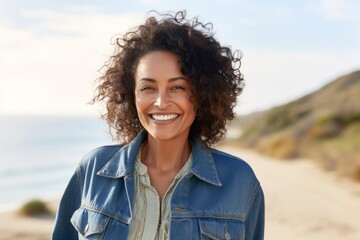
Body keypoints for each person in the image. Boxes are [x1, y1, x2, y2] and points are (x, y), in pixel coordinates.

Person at [52, 10, 264, 240]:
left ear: (202, 94)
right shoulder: (92, 170)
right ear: (131, 94)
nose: (161, 103)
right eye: (148, 88)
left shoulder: (240, 180)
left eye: (177, 87)